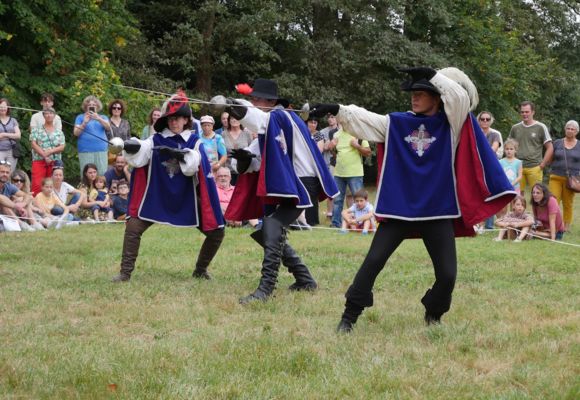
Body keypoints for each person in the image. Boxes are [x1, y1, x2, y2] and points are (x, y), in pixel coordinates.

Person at [309, 67, 516, 332]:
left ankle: (434, 313)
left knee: (448, 275)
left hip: (438, 209)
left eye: (421, 93)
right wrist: (338, 109)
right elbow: (365, 120)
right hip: (400, 209)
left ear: (437, 97)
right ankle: (349, 316)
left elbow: (459, 99)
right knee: (373, 262)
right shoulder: (397, 123)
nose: (414, 98)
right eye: (413, 93)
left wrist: (433, 76)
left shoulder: (451, 125)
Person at [225, 78, 338, 303]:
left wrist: (235, 106)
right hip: (289, 183)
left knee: (272, 225)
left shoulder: (281, 117)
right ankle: (305, 279)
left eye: (257, 98)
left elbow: (259, 120)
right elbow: (254, 154)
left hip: (302, 183)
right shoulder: (271, 123)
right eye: (252, 99)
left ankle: (265, 289)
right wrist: (244, 160)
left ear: (272, 101)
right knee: (267, 229)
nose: (254, 102)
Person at [111, 91, 225, 282]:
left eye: (178, 118)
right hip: (157, 195)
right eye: (171, 118)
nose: (174, 122)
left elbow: (194, 164)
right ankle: (124, 273)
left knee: (217, 231)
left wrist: (182, 155)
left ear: (186, 120)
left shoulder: (195, 142)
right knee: (132, 227)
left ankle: (200, 270)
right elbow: (141, 151)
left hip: (186, 198)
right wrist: (130, 145)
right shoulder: (155, 140)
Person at [330, 122, 371, 228]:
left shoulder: (359, 134)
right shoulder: (336, 135)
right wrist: (332, 147)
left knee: (360, 199)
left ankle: (364, 222)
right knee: (337, 200)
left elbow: (368, 152)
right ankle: (336, 223)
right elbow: (335, 153)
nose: (343, 123)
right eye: (341, 121)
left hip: (355, 173)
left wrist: (357, 145)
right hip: (339, 173)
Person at [508, 101, 553, 194]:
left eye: (527, 112)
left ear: (533, 112)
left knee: (537, 196)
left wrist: (543, 164)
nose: (524, 114)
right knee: (516, 195)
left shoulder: (540, 127)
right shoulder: (515, 128)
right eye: (522, 112)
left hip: (535, 167)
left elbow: (550, 147)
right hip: (518, 166)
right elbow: (508, 146)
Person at [547, 120, 579, 232]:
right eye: (568, 128)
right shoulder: (557, 143)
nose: (570, 131)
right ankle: (554, 223)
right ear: (565, 129)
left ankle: (566, 226)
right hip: (555, 177)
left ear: (576, 131)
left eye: (572, 129)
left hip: (571, 180)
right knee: (553, 201)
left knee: (568, 203)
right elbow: (550, 158)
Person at [29, 107, 66, 195]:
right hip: (39, 160)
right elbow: (33, 144)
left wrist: (50, 151)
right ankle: (35, 204)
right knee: (37, 184)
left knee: (53, 184)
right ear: (43, 115)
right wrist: (44, 156)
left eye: (51, 113)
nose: (49, 115)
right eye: (46, 113)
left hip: (54, 162)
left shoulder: (59, 132)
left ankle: (53, 204)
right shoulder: (36, 130)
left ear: (54, 115)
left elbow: (62, 146)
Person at [477, 110, 503, 230]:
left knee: (491, 195)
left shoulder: (495, 134)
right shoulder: (475, 133)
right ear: (479, 120)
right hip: (477, 167)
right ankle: (479, 223)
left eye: (488, 119)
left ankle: (489, 225)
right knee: (479, 195)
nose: (485, 121)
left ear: (491, 120)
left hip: (490, 168)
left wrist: (481, 152)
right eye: (483, 119)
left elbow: (493, 149)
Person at [73, 95, 111, 176]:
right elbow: (76, 133)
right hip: (85, 150)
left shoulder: (103, 117)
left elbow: (108, 128)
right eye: (89, 105)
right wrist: (84, 122)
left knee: (102, 173)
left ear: (97, 107)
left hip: (101, 150)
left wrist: (98, 118)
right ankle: (86, 188)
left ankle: (101, 189)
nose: (92, 107)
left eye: (94, 105)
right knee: (86, 174)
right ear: (86, 107)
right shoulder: (80, 117)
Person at [1, 163, 41, 231]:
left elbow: (27, 195)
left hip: (9, 215)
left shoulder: (8, 185)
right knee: (4, 204)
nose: (5, 174)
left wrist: (23, 204)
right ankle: (22, 225)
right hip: (5, 214)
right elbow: (1, 198)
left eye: (7, 172)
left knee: (22, 199)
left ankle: (34, 224)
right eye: (2, 172)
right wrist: (17, 206)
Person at [222, 114, 253, 185]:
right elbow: (222, 153)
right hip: (228, 171)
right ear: (229, 120)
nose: (234, 120)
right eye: (232, 118)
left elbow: (251, 151)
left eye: (237, 118)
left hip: (244, 170)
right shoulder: (223, 134)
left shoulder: (247, 133)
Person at [318, 114, 339, 217]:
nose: (330, 119)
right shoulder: (322, 132)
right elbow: (325, 147)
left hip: (340, 163)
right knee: (330, 189)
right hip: (327, 163)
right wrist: (332, 143)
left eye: (333, 117)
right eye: (329, 117)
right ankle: (329, 213)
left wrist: (329, 143)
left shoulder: (342, 130)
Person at [0, 98, 21, 172]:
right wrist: (12, 135)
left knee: (10, 173)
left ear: (8, 108)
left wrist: (3, 134)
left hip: (11, 151)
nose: (2, 108)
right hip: (0, 151)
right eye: (1, 106)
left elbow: (18, 135)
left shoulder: (13, 120)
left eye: (4, 106)